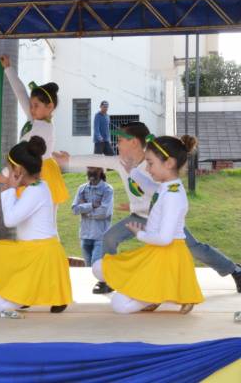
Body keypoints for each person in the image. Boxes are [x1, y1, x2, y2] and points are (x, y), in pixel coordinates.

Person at [54, 121, 241, 294]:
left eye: (120, 140)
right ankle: (108, 279)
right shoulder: (120, 162)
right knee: (109, 238)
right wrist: (69, 160)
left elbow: (161, 195)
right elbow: (98, 159)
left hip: (163, 218)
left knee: (195, 248)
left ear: (134, 142)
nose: (117, 144)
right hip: (139, 216)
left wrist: (135, 204)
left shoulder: (154, 164)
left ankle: (234, 269)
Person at [92, 134, 204, 314]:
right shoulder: (168, 186)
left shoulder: (173, 195)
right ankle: (150, 293)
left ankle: (154, 295)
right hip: (155, 252)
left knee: (119, 306)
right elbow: (151, 188)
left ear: (169, 163)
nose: (148, 169)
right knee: (99, 267)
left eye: (150, 164)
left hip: (166, 256)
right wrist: (133, 171)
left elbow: (165, 238)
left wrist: (140, 234)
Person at [0, 136, 72, 317]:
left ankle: (25, 297)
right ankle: (25, 296)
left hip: (39, 256)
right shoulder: (39, 186)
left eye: (9, 167)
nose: (7, 171)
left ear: (18, 170)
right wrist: (11, 189)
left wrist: (9, 190)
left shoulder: (35, 191)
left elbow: (10, 220)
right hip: (34, 251)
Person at [0, 55, 69, 209]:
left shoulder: (43, 127)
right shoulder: (35, 119)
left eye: (36, 105)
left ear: (49, 107)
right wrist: (8, 68)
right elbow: (21, 93)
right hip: (32, 169)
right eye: (31, 105)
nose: (31, 108)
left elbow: (28, 152)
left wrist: (6, 172)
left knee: (42, 221)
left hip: (40, 172)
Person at [71, 168, 113, 267]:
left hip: (100, 237)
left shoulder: (107, 189)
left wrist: (85, 211)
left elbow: (104, 212)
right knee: (87, 270)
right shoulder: (81, 189)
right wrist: (92, 205)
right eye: (89, 168)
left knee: (95, 267)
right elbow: (74, 209)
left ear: (101, 170)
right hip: (84, 236)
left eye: (93, 168)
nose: (90, 170)